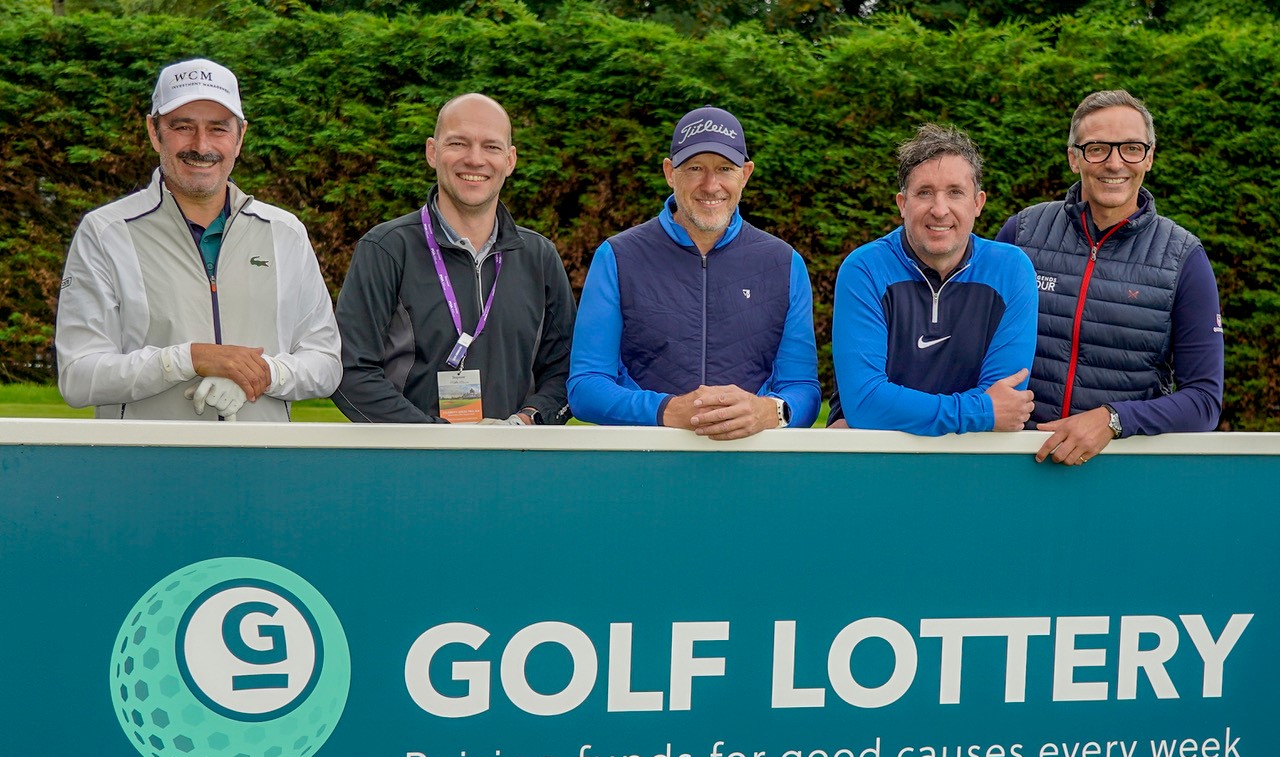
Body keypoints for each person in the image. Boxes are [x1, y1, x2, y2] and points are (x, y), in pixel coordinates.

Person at [56, 58, 341, 420]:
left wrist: (261, 374)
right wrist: (187, 358)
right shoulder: (105, 232)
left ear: (240, 137)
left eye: (218, 129)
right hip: (144, 465)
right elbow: (79, 376)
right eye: (183, 126)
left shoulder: (284, 231)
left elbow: (326, 363)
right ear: (153, 131)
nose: (201, 145)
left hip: (263, 466)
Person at [996, 90, 1224, 466]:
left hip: (1121, 469)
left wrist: (1113, 419)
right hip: (1013, 460)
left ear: (1149, 157)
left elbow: (1204, 401)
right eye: (1097, 147)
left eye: (1132, 148)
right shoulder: (1022, 233)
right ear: (1074, 158)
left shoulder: (1184, 258)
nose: (1115, 163)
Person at [568, 106, 820, 439]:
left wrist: (768, 413)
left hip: (752, 467)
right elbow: (585, 387)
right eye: (695, 167)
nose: (710, 184)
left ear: (745, 174)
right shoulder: (617, 256)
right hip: (642, 465)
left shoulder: (783, 263)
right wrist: (667, 411)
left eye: (725, 168)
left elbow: (803, 388)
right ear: (670, 172)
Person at [332, 93, 575, 425]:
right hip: (412, 464)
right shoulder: (386, 248)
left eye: (491, 147)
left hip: (516, 463)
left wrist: (529, 421)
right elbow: (350, 372)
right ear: (432, 152)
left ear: (510, 160)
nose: (475, 159)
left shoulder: (539, 257)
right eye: (458, 143)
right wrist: (437, 438)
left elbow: (566, 371)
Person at [827, 124, 1037, 435]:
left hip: (971, 463)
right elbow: (865, 402)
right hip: (878, 461)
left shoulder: (1012, 270)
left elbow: (1007, 397)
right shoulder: (864, 269)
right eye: (924, 193)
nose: (939, 210)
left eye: (955, 192)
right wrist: (980, 411)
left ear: (978, 203)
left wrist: (894, 412)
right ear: (902, 204)